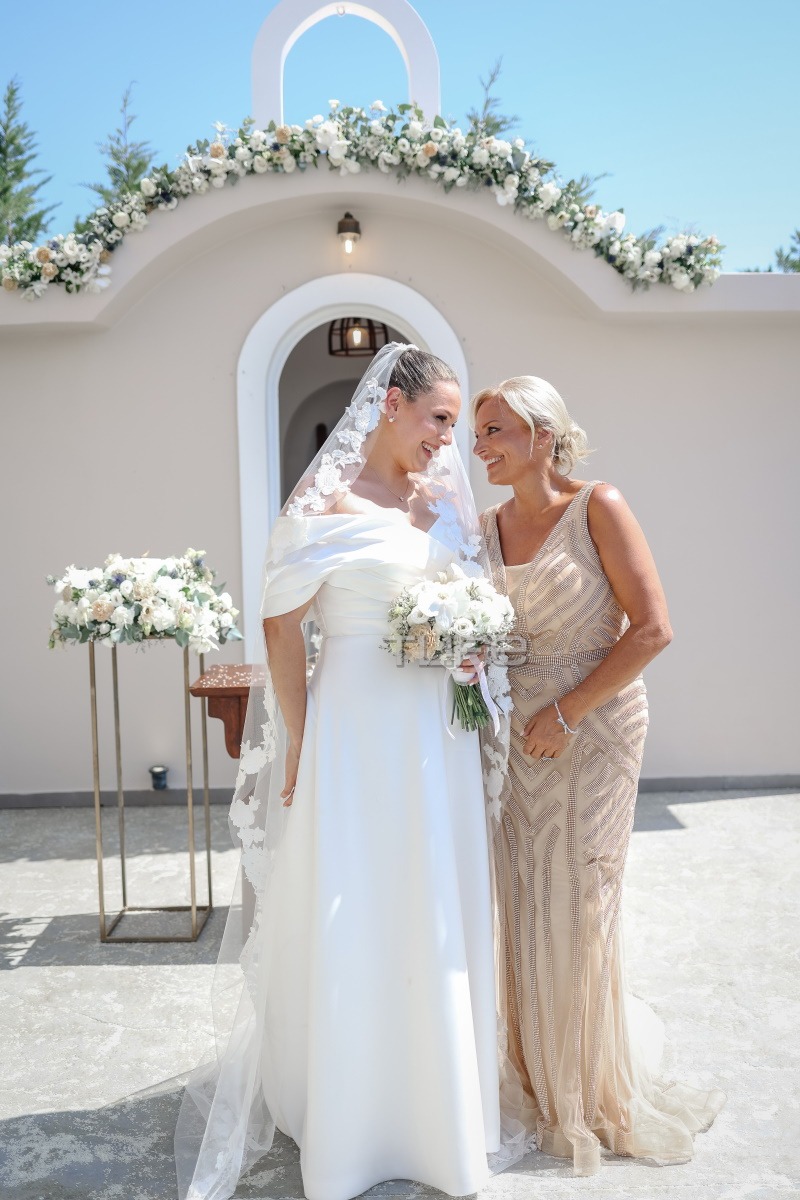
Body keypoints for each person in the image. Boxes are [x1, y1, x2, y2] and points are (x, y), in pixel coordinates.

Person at [175, 344, 501, 1200]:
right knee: (358, 896)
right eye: (438, 419)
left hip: (437, 730)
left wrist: (469, 647)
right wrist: (302, 738)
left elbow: (471, 599)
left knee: (429, 898)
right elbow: (280, 629)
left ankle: (435, 1110)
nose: (448, 439)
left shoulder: (440, 502)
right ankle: (355, 1120)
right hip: (356, 723)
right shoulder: (322, 504)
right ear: (390, 405)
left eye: (453, 424)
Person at [472, 375, 725, 1177]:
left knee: (580, 902)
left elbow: (653, 629)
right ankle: (536, 1083)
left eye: (495, 430)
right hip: (513, 739)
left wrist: (570, 711)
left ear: (543, 435)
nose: (479, 446)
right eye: (477, 432)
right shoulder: (482, 528)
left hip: (595, 726)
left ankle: (586, 1096)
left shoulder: (598, 507)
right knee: (520, 900)